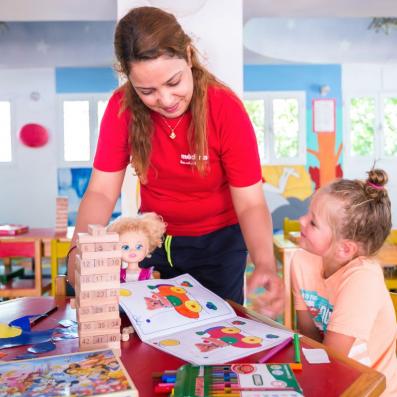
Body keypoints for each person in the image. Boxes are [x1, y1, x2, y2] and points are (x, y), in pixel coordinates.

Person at [67, 6, 283, 315]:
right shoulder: (121, 109)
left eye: (173, 82)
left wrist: (264, 262)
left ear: (189, 56)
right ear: (129, 79)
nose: (165, 100)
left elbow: (250, 203)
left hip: (218, 244)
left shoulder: (225, 109)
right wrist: (78, 250)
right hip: (153, 240)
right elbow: (101, 191)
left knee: (215, 331)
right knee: (151, 328)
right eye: (147, 91)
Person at [291, 169, 397, 396]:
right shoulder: (301, 261)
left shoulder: (363, 279)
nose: (301, 221)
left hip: (371, 390)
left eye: (313, 223)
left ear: (344, 249)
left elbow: (332, 357)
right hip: (333, 376)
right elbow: (308, 335)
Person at [107, 212, 166, 282]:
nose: (132, 251)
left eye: (139, 247)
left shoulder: (148, 274)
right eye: (125, 247)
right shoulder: (118, 274)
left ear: (148, 249)